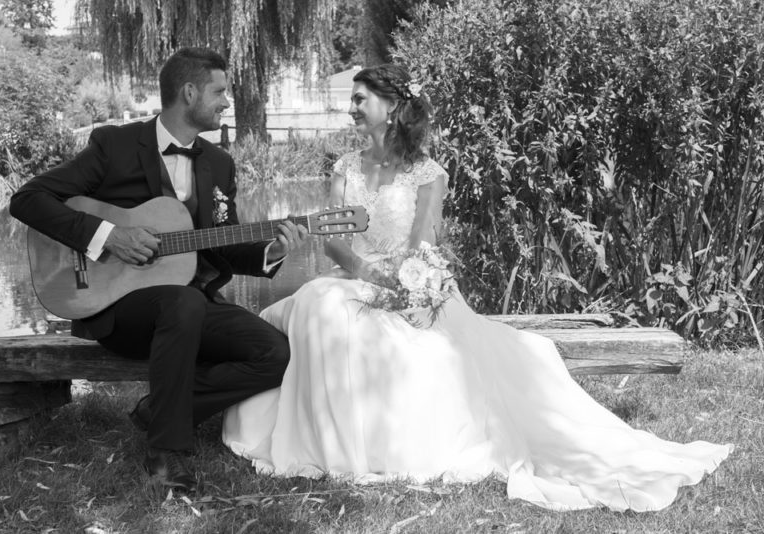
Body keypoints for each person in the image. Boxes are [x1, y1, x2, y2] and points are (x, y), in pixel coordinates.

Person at [222, 64, 733, 512]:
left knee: (401, 341)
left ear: (394, 107)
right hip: (355, 274)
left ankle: (382, 445)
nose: (351, 108)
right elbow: (334, 243)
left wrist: (405, 284)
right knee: (319, 305)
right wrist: (364, 271)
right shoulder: (345, 168)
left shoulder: (427, 172)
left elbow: (423, 243)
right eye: (351, 99)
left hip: (414, 280)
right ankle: (329, 440)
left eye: (360, 99)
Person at [10, 47, 308, 493]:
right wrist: (109, 235)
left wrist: (274, 250)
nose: (227, 101)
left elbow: (222, 245)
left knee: (274, 353)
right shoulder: (114, 145)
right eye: (220, 91)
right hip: (118, 308)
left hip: (190, 303)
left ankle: (162, 409)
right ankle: (167, 453)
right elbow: (28, 199)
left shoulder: (219, 163)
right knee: (182, 301)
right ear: (189, 92)